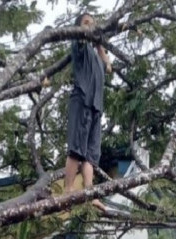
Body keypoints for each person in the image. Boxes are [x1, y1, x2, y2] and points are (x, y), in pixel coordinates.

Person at [63, 13, 112, 212]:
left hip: (96, 107)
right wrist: (87, 33)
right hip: (82, 100)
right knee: (77, 149)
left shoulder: (96, 56)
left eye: (93, 24)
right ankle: (67, 191)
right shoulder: (80, 46)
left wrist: (100, 44)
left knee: (91, 155)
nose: (90, 26)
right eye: (86, 23)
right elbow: (84, 37)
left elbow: (108, 65)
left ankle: (90, 193)